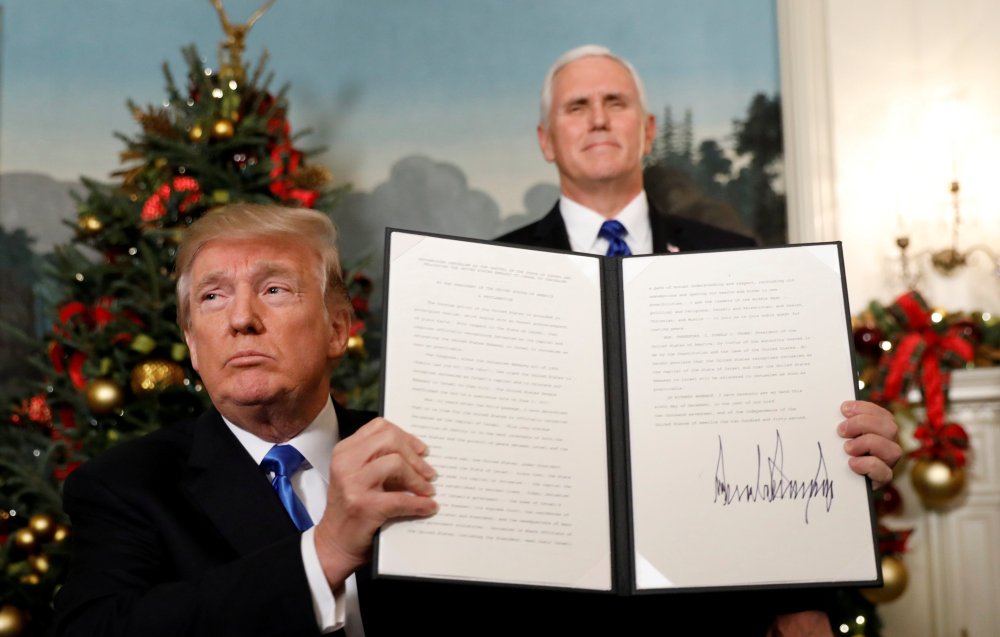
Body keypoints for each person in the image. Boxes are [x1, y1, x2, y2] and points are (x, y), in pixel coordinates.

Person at [494, 44, 902, 635]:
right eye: (576, 107)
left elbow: (778, 433)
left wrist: (805, 598)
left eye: (616, 102)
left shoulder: (734, 258)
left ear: (648, 130)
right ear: (546, 140)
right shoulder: (496, 273)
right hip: (550, 608)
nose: (599, 118)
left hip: (716, 610)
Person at [51, 203, 438, 636]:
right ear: (193, 345)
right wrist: (323, 554)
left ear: (337, 330)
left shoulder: (419, 452)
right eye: (213, 297)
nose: (241, 320)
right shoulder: (123, 485)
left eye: (274, 289)